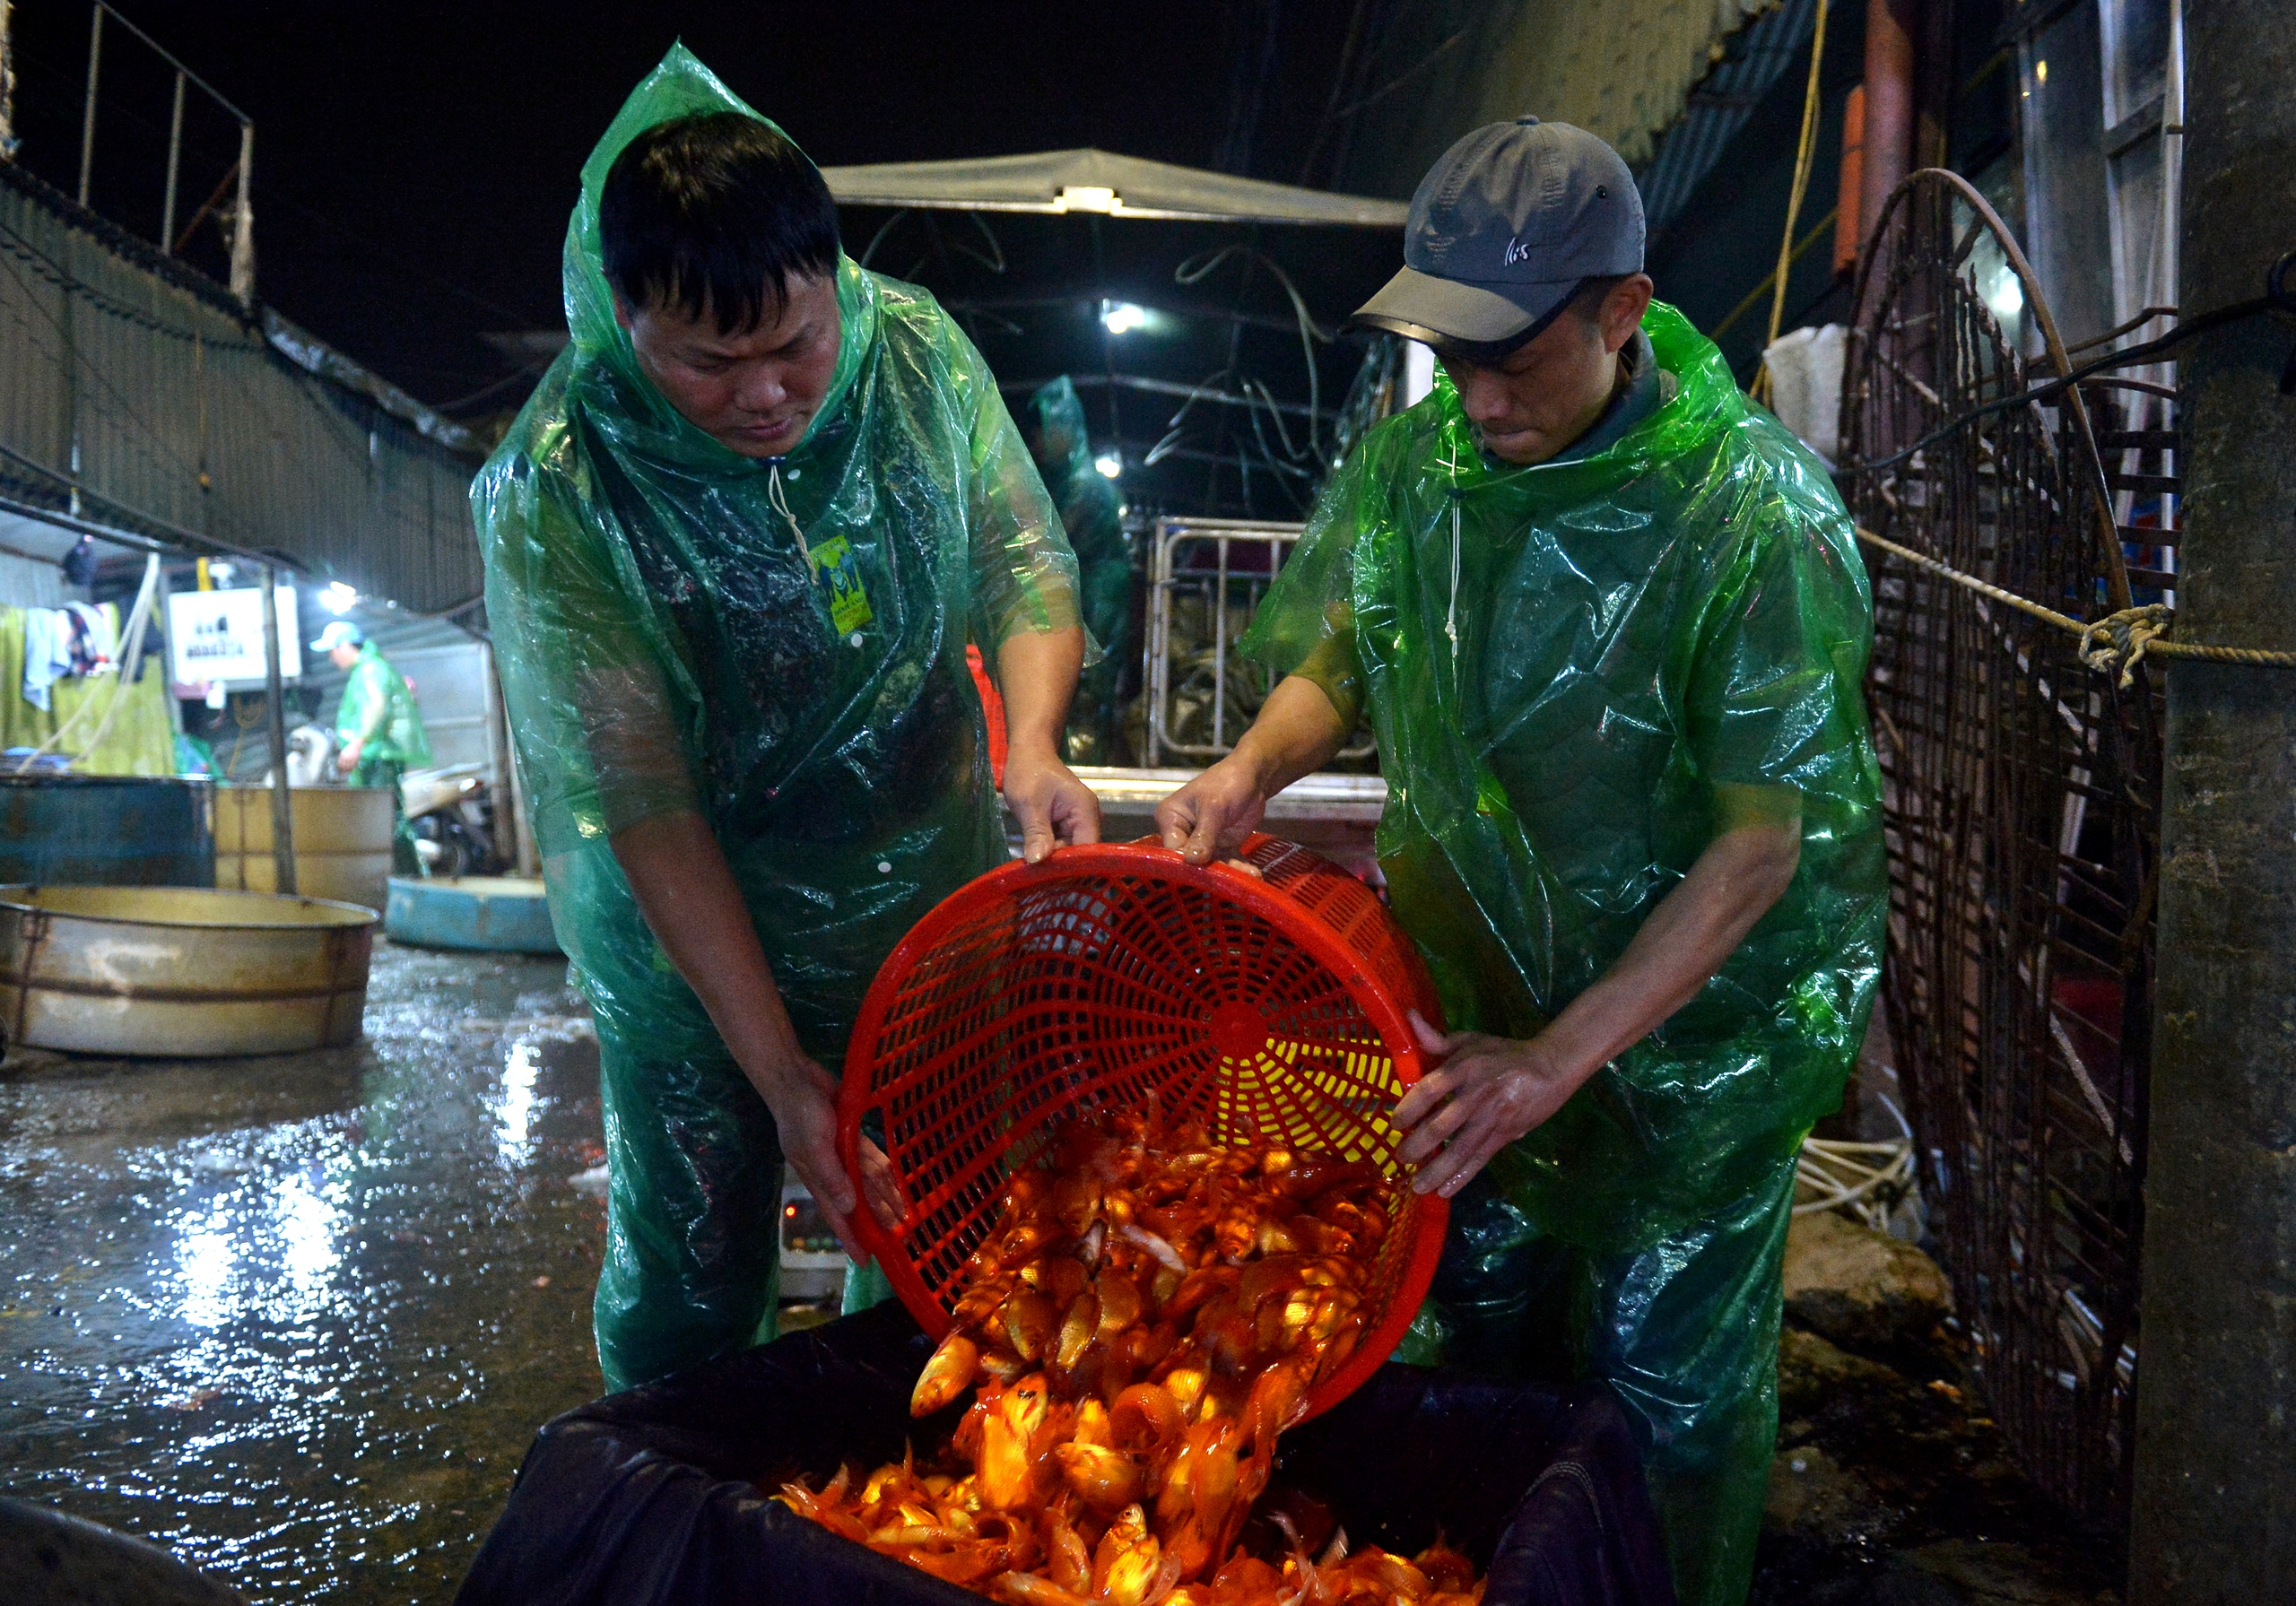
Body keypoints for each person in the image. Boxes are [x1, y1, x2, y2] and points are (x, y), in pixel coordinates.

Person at [1156, 117, 1885, 1606]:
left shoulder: (1748, 517)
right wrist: (1241, 771)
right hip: (1464, 1006)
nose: (1480, 400)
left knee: (1656, 1396)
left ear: (1624, 311)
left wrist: (1558, 1059)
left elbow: (1758, 849)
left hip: (1684, 1054)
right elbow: (1350, 654)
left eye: (1518, 360)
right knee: (1469, 1346)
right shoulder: (1426, 464)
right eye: (1455, 355)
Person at [472, 48, 1100, 1393]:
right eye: (711, 361)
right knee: (694, 1256)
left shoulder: (915, 355)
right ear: (629, 321)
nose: (767, 393)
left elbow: (1023, 561)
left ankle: (921, 1510)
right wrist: (779, 1070)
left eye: (796, 344)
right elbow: (641, 792)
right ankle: (681, 1509)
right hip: (695, 942)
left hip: (920, 897)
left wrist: (1031, 741)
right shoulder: (564, 483)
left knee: (946, 1240)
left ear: (837, 290)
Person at [1023, 377, 1135, 763]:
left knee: (1087, 682)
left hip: (1098, 595)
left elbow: (1052, 544)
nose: (1036, 446)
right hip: (1085, 591)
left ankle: (1086, 766)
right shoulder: (1066, 483)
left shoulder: (1086, 485)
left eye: (1043, 433)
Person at [313, 619, 430, 872]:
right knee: (383, 819)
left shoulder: (370, 670)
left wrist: (356, 743)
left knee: (385, 820)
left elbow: (377, 705)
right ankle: (402, 876)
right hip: (374, 756)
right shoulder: (369, 670)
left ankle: (405, 877)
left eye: (332, 652)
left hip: (377, 757)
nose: (332, 660)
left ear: (344, 646)